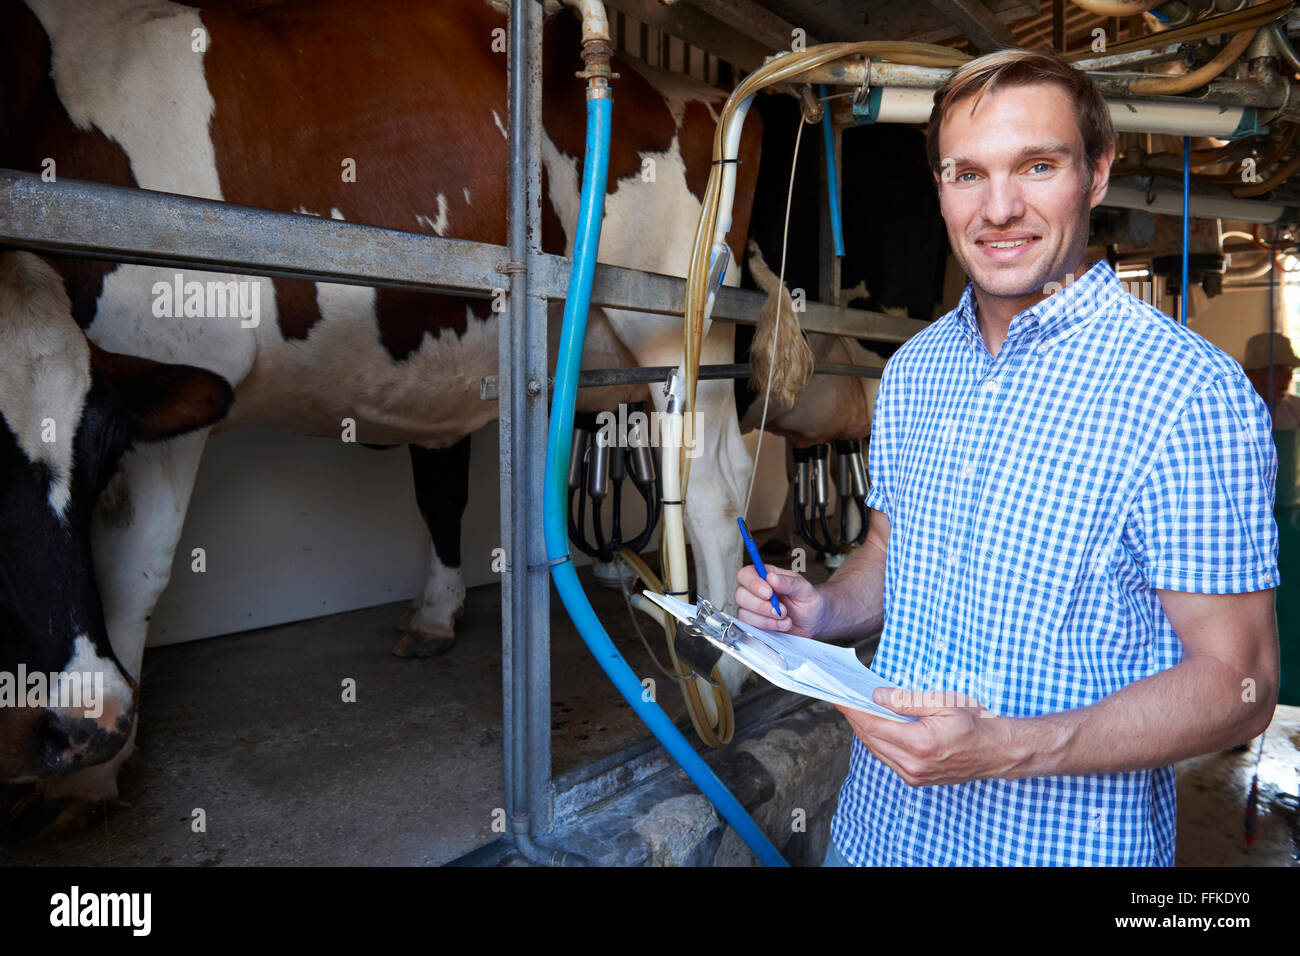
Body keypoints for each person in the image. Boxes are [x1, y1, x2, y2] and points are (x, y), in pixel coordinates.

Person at [735, 48, 1281, 866]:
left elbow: (1240, 685)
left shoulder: (1188, 392)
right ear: (941, 188)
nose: (999, 208)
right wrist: (822, 611)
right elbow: (891, 552)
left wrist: (1010, 747)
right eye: (967, 174)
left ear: (1095, 175)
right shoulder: (916, 371)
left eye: (1036, 165)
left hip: (1057, 849)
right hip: (878, 833)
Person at [1242, 331, 1300, 430]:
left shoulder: (1296, 408)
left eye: (1290, 370)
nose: (1287, 377)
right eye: (1278, 370)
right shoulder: (1235, 410)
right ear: (1250, 374)